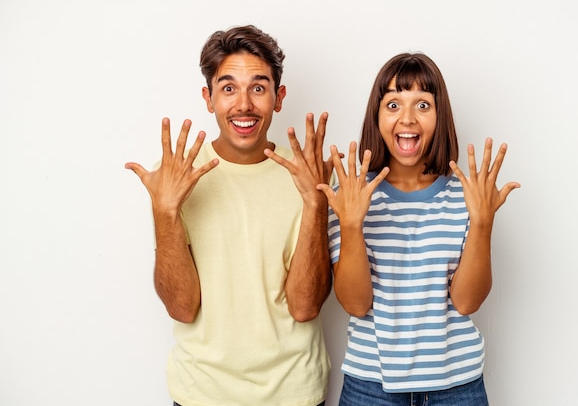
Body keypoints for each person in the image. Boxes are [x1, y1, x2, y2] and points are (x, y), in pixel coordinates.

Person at [125, 25, 332, 406]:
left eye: (258, 87)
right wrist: (165, 212)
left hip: (294, 393)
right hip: (201, 393)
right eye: (228, 88)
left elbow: (305, 307)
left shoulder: (307, 174)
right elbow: (182, 307)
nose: (243, 105)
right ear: (208, 98)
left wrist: (316, 204)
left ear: (278, 96)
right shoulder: (175, 175)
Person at [316, 52, 520, 406]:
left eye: (422, 105)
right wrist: (350, 225)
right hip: (370, 388)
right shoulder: (349, 194)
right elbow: (356, 303)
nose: (407, 118)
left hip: (458, 388)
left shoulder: (466, 196)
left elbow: (466, 301)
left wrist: (483, 222)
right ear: (376, 115)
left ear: (440, 117)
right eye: (393, 104)